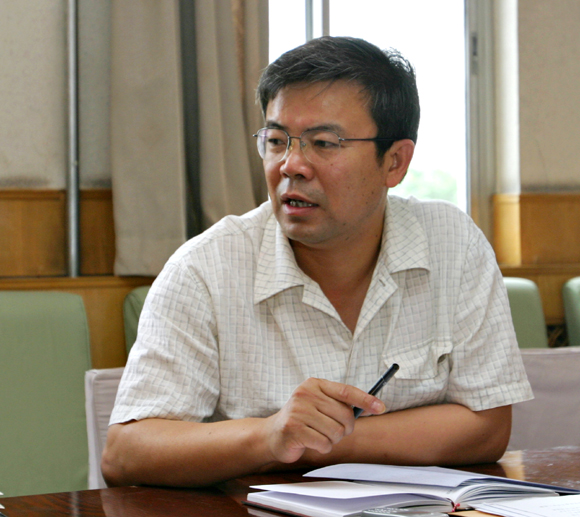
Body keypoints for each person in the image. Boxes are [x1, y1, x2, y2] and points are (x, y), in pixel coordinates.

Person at [102, 36, 532, 488]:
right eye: (276, 141)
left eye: (323, 143)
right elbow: (126, 453)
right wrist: (270, 435)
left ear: (395, 162)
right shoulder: (205, 268)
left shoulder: (452, 243)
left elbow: (487, 426)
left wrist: (314, 442)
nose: (291, 165)